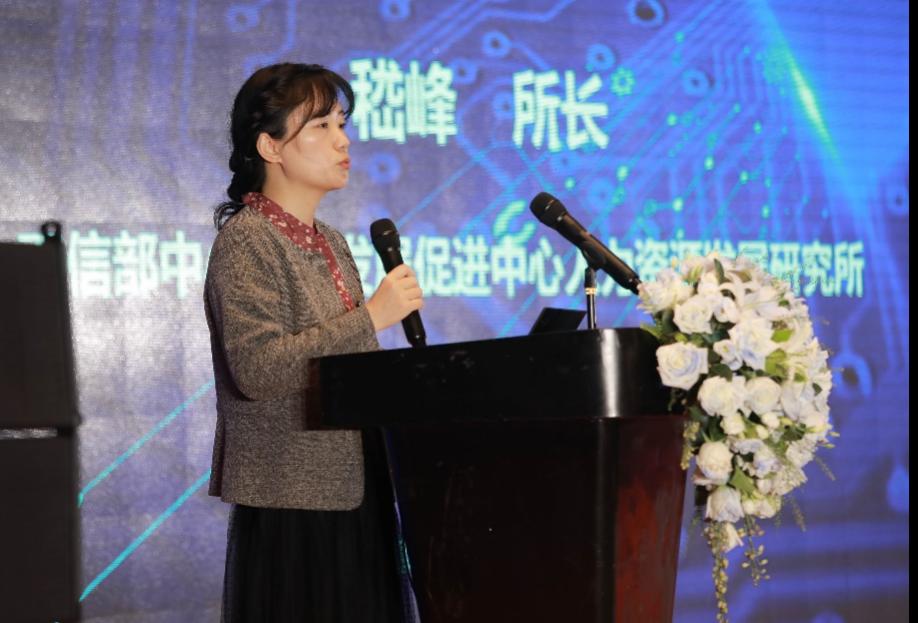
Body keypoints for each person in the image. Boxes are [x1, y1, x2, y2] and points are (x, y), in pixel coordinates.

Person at [204, 62, 423, 622]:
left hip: (356, 484)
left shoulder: (331, 241)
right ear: (270, 146)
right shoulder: (247, 240)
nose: (342, 141)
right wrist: (371, 316)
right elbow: (258, 369)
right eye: (321, 126)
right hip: (294, 499)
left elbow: (351, 366)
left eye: (341, 124)